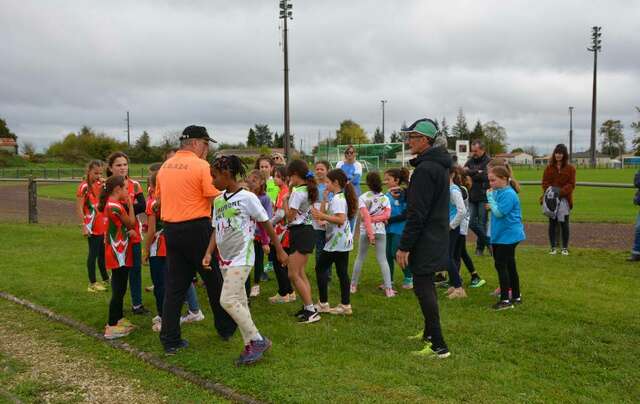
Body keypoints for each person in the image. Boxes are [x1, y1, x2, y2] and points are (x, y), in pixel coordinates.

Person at [156, 125, 237, 355]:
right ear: (194, 143)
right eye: (205, 143)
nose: (207, 148)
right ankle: (226, 328)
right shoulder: (201, 166)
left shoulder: (165, 166)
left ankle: (170, 339)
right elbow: (217, 197)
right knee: (214, 282)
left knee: (175, 287)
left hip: (171, 230)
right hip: (197, 229)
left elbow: (160, 199)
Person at [203, 155, 288, 366]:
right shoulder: (218, 199)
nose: (212, 181)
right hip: (225, 258)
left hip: (243, 256)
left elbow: (266, 223)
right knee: (239, 302)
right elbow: (217, 228)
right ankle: (250, 344)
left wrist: (278, 250)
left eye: (214, 177)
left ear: (227, 174)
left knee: (227, 300)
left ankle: (258, 340)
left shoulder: (248, 198)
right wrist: (208, 252)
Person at [396, 118, 451, 359]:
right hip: (435, 233)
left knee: (423, 287)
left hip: (425, 237)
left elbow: (417, 214)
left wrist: (404, 246)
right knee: (425, 285)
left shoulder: (425, 169)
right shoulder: (436, 166)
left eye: (414, 137)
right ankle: (429, 335)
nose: (409, 141)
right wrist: (410, 192)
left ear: (426, 140)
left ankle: (439, 345)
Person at [143, 171, 204, 333]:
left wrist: (145, 250)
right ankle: (193, 310)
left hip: (160, 247)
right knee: (180, 279)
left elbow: (151, 231)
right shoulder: (175, 197)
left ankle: (166, 317)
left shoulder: (153, 202)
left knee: (161, 284)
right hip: (176, 243)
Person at [106, 151, 148, 315]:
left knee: (135, 270)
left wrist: (125, 209)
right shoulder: (107, 185)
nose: (122, 168)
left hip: (134, 233)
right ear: (110, 168)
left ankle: (137, 304)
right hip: (117, 236)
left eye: (125, 164)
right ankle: (117, 310)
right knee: (119, 274)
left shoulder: (134, 184)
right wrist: (128, 208)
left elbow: (142, 206)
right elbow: (105, 208)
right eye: (118, 165)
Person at [310, 169, 356, 314]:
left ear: (335, 183)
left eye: (328, 182)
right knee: (342, 272)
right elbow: (325, 217)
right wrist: (324, 199)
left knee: (320, 268)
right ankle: (345, 305)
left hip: (336, 241)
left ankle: (324, 303)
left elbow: (341, 219)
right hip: (341, 240)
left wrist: (321, 214)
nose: (326, 184)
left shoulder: (338, 199)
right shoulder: (337, 196)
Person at [98, 175, 137, 340]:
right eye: (126, 188)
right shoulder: (116, 207)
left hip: (118, 251)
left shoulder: (112, 205)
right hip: (118, 253)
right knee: (119, 288)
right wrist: (130, 205)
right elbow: (131, 224)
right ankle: (112, 326)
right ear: (117, 189)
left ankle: (119, 319)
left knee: (120, 287)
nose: (128, 191)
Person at [285, 159, 321, 324]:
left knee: (293, 273)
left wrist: (285, 201)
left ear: (294, 175)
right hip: (306, 232)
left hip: (300, 233)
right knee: (300, 273)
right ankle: (309, 308)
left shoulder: (297, 192)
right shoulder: (307, 188)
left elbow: (289, 216)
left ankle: (311, 311)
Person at [487, 165, 525, 310]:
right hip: (502, 235)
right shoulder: (500, 191)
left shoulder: (509, 194)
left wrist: (490, 198)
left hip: (508, 236)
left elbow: (499, 213)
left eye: (493, 180)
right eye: (489, 181)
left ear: (504, 179)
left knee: (501, 265)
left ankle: (505, 300)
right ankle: (516, 296)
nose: (491, 184)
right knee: (510, 265)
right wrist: (492, 200)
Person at [350, 172, 394, 297]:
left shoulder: (363, 197)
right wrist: (375, 221)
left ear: (368, 184)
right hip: (381, 231)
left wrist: (370, 234)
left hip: (366, 231)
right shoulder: (385, 198)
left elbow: (366, 218)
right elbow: (387, 216)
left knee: (360, 258)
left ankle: (353, 286)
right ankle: (389, 289)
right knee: (383, 260)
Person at [76, 160, 109, 292]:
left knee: (102, 254)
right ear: (88, 171)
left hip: (101, 224)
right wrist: (83, 225)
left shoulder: (100, 184)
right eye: (95, 173)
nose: (98, 176)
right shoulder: (84, 186)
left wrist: (105, 181)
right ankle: (92, 283)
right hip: (91, 224)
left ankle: (106, 279)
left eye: (100, 173)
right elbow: (79, 207)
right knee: (93, 254)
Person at [268, 165, 296, 303]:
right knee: (283, 262)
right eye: (274, 175)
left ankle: (283, 293)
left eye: (278, 176)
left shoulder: (283, 191)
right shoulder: (284, 190)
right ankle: (290, 292)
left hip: (281, 233)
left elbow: (280, 214)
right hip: (284, 232)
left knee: (279, 262)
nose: (274, 178)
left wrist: (268, 223)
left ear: (285, 178)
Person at [541, 144, 576, 256]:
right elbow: (545, 183)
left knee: (564, 223)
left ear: (564, 154)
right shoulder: (548, 168)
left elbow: (571, 184)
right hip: (551, 199)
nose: (558, 155)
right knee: (552, 223)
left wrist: (560, 193)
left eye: (560, 153)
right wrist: (553, 192)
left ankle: (564, 247)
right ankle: (553, 247)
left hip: (564, 200)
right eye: (556, 153)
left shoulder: (571, 169)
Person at [384, 167, 413, 289]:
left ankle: (409, 278)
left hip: (400, 229)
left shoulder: (403, 193)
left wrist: (389, 220)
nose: (385, 182)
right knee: (387, 254)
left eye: (388, 179)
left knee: (396, 253)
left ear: (396, 180)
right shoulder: (386, 195)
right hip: (388, 229)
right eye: (384, 179)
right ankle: (389, 281)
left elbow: (405, 214)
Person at [246, 169, 273, 298]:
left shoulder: (265, 198)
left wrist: (265, 240)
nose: (251, 183)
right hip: (246, 235)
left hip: (259, 236)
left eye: (254, 180)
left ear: (262, 182)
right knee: (245, 261)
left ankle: (256, 284)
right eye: (249, 180)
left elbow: (267, 218)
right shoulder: (245, 196)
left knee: (258, 260)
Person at [464, 140, 491, 256]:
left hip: (484, 196)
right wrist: (477, 172)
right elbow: (463, 172)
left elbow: (486, 175)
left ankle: (480, 248)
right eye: (472, 150)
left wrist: (471, 173)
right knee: (470, 223)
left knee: (482, 223)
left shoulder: (489, 161)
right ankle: (488, 243)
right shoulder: (470, 161)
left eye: (475, 151)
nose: (473, 153)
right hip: (472, 196)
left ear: (482, 150)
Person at [446, 167, 467, 299]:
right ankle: (454, 285)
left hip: (452, 229)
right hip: (448, 227)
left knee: (447, 257)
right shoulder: (446, 189)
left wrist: (451, 225)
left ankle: (459, 288)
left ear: (452, 174)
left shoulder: (454, 191)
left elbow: (462, 211)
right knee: (450, 256)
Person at [336, 145, 363, 231]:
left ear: (355, 154)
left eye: (351, 152)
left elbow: (356, 180)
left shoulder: (358, 165)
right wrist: (349, 177)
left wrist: (345, 178)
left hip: (354, 194)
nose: (349, 154)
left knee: (351, 216)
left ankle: (350, 237)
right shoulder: (340, 164)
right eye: (347, 152)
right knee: (340, 214)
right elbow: (336, 177)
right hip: (341, 193)